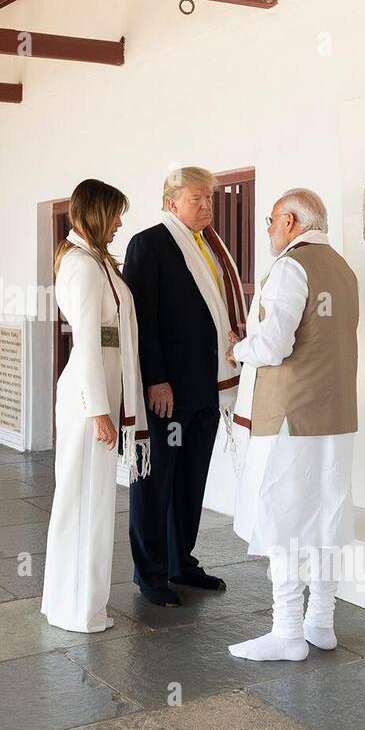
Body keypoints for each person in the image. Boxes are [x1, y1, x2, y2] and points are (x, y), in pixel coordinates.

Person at [225, 189, 358, 661]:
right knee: (324, 512)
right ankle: (321, 621)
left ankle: (287, 631)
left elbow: (274, 344)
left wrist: (238, 349)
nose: (267, 230)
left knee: (282, 515)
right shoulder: (343, 269)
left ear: (290, 220)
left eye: (270, 221)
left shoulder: (289, 268)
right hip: (335, 415)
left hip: (291, 416)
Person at [122, 167, 246, 607]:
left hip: (209, 386)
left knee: (191, 481)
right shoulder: (149, 243)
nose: (207, 206)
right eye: (198, 198)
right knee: (155, 482)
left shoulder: (210, 246)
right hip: (168, 390)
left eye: (210, 198)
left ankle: (181, 562)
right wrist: (155, 378)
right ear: (171, 201)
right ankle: (150, 573)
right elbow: (143, 320)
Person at [41, 179, 150, 633]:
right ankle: (79, 610)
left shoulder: (92, 260)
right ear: (98, 213)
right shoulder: (84, 267)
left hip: (98, 393)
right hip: (90, 400)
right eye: (117, 213)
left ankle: (75, 603)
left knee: (89, 500)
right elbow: (87, 343)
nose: (122, 222)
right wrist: (98, 409)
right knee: (85, 503)